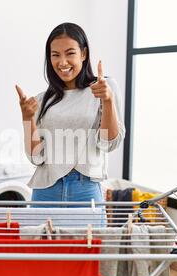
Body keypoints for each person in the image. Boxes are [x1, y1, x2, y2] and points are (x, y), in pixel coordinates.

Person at [15, 22, 125, 206]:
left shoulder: (104, 88)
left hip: (86, 189)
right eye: (55, 55)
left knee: (91, 236)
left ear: (83, 53)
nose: (62, 62)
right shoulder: (41, 100)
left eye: (70, 53)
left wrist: (107, 100)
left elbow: (109, 143)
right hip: (45, 191)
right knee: (37, 236)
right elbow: (36, 157)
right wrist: (27, 118)